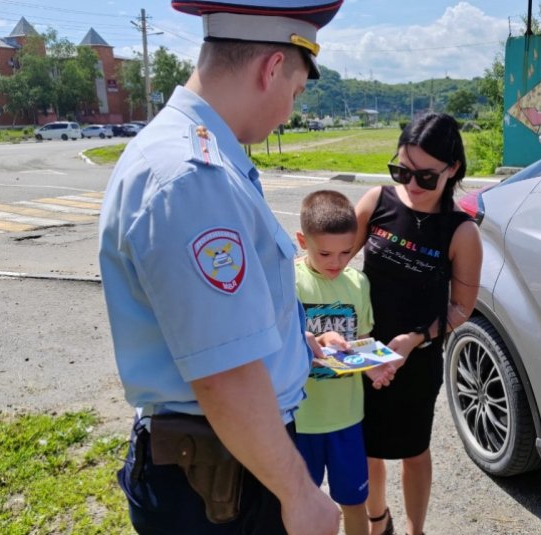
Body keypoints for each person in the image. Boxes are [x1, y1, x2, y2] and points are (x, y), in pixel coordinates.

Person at [98, 1, 345, 534]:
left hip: (223, 462)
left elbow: (227, 325)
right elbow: (225, 373)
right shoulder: (192, 177)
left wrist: (299, 343)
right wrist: (299, 493)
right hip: (222, 483)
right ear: (272, 69)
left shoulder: (195, 157)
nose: (289, 112)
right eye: (296, 94)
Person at [353, 113, 483, 535]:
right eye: (402, 171)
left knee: (414, 450)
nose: (411, 185)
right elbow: (331, 262)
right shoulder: (377, 202)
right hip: (365, 354)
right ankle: (378, 522)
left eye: (426, 177)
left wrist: (416, 339)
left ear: (453, 170)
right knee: (366, 447)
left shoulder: (461, 231)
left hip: (417, 359)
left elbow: (462, 307)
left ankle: (415, 530)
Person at [293, 190, 395, 535]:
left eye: (346, 253)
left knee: (353, 502)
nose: (336, 263)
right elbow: (274, 345)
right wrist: (317, 340)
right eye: (324, 253)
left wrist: (375, 367)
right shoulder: (289, 282)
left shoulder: (358, 283)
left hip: (347, 419)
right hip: (300, 421)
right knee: (298, 504)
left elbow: (362, 345)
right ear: (301, 240)